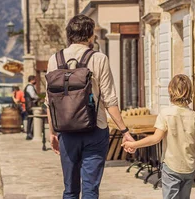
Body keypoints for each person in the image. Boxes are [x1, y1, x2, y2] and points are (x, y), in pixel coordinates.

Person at [46, 15, 135, 199]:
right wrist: (124, 131)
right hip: (95, 129)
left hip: (66, 131)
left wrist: (52, 132)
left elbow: (50, 101)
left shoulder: (54, 59)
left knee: (70, 190)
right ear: (89, 35)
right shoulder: (99, 58)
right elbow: (110, 100)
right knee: (90, 190)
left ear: (70, 35)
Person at [122, 74, 195, 199]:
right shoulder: (194, 116)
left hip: (171, 167)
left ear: (170, 91)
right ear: (190, 92)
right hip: (189, 168)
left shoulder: (165, 113)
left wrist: (133, 144)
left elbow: (155, 138)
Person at [23, 75, 39, 140]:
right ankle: (29, 134)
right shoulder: (30, 87)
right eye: (35, 80)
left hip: (29, 105)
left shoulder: (29, 86)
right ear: (32, 80)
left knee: (30, 119)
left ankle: (29, 133)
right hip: (31, 106)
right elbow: (33, 96)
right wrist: (38, 97)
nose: (35, 81)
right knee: (31, 119)